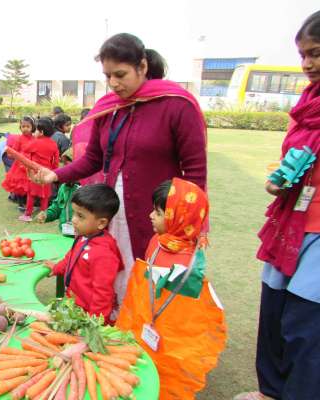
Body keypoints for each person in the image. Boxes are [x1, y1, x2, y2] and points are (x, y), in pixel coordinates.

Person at [33, 33, 207, 305]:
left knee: (151, 280)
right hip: (112, 214)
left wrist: (183, 225)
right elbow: (93, 158)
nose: (113, 83)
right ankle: (111, 327)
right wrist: (55, 174)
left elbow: (195, 173)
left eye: (120, 74)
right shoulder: (109, 109)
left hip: (157, 216)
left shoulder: (176, 105)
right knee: (109, 273)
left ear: (143, 67)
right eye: (107, 76)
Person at [235, 11, 320, 400]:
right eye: (303, 54)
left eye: (316, 53)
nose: (307, 64)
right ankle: (270, 391)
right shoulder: (307, 105)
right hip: (290, 223)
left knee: (305, 324)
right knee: (272, 311)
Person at [117, 178, 226, 400]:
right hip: (146, 321)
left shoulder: (190, 267)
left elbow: (188, 317)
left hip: (172, 335)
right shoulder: (158, 241)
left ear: (179, 218)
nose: (150, 216)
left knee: (168, 379)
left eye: (158, 213)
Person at [44, 184, 123, 324]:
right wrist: (57, 268)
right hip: (76, 305)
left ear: (101, 223)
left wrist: (94, 324)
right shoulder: (84, 236)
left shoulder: (103, 254)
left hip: (87, 316)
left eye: (80, 216)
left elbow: (103, 294)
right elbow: (71, 257)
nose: (74, 219)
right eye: (74, 213)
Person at [20, 117, 59, 222]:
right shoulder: (53, 143)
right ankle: (43, 214)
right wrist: (54, 171)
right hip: (47, 172)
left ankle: (28, 214)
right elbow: (56, 161)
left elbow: (25, 149)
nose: (35, 132)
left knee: (31, 194)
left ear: (41, 132)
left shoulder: (36, 142)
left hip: (35, 172)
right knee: (45, 196)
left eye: (36, 130)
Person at [36, 149, 80, 236]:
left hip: (81, 237)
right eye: (64, 165)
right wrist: (47, 215)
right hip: (65, 235)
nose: (64, 169)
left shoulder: (86, 190)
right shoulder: (64, 187)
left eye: (68, 166)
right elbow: (58, 206)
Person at [1, 116, 36, 208]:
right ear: (20, 127)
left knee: (29, 184)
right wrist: (18, 155)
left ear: (32, 127)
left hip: (31, 164)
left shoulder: (35, 139)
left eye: (28, 126)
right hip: (19, 166)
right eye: (23, 126)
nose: (25, 129)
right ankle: (20, 203)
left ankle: (27, 202)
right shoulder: (19, 139)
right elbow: (12, 152)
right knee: (19, 185)